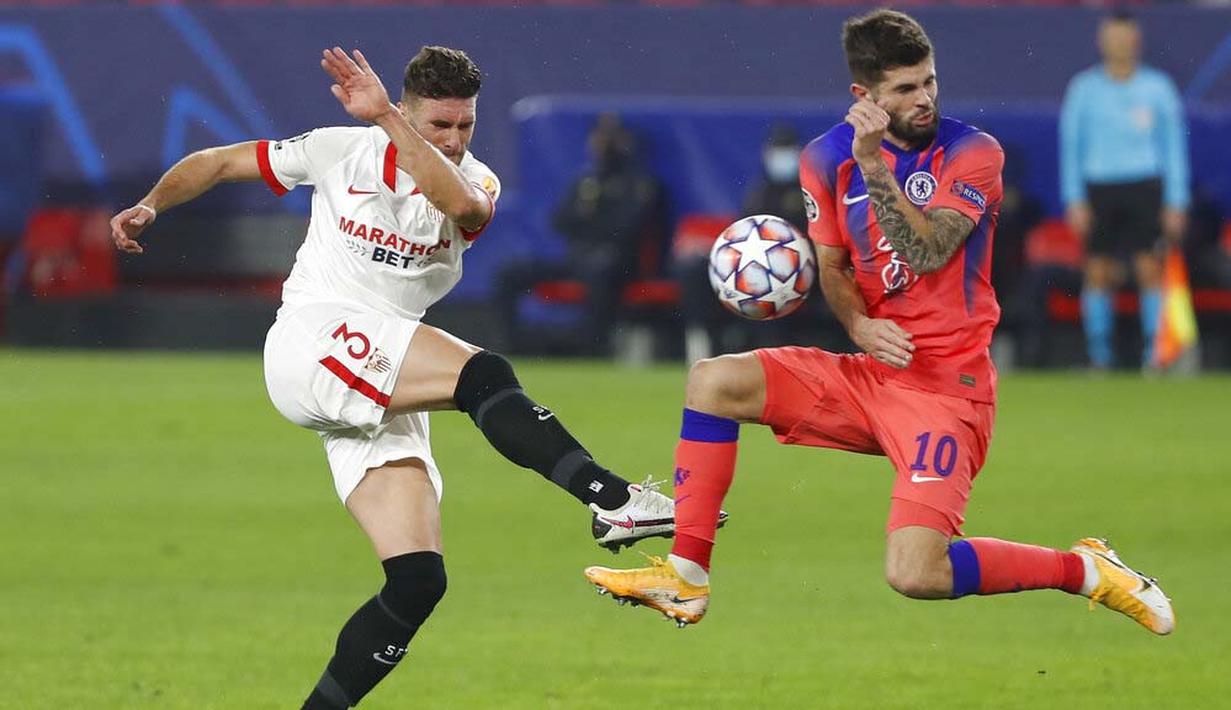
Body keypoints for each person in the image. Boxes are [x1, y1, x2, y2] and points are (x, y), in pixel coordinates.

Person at [109, 46, 690, 710]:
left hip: (379, 369)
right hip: (314, 337)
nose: (453, 140)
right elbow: (215, 162)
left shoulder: (478, 182)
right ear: (410, 112)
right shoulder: (338, 152)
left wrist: (389, 119)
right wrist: (152, 205)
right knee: (483, 374)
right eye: (438, 126)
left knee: (417, 581)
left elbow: (459, 206)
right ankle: (611, 499)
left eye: (463, 126)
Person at [584, 10, 1173, 636]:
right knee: (712, 381)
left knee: (917, 574)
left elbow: (927, 252)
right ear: (863, 96)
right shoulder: (823, 159)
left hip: (949, 392)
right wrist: (859, 329)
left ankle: (1084, 570)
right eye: (904, 89)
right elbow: (833, 266)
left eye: (929, 82)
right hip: (872, 373)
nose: (924, 100)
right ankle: (686, 578)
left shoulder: (973, 153)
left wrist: (874, 167)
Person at [1060, 11, 1190, 370]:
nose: (1119, 44)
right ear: (1102, 41)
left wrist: (1175, 201)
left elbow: (1173, 148)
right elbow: (1072, 147)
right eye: (1112, 37)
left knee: (1150, 268)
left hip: (1145, 184)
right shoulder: (1083, 88)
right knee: (1098, 270)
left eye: (1125, 37)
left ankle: (1155, 356)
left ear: (1136, 41)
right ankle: (1100, 356)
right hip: (1099, 185)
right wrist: (1075, 198)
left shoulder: (1158, 88)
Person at [495, 113, 667, 355]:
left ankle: (592, 347)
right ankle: (515, 345)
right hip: (577, 258)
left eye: (611, 138)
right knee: (509, 273)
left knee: (601, 271)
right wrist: (588, 218)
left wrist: (589, 219)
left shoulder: (641, 183)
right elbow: (560, 221)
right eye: (599, 137)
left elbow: (626, 228)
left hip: (618, 263)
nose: (603, 145)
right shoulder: (587, 182)